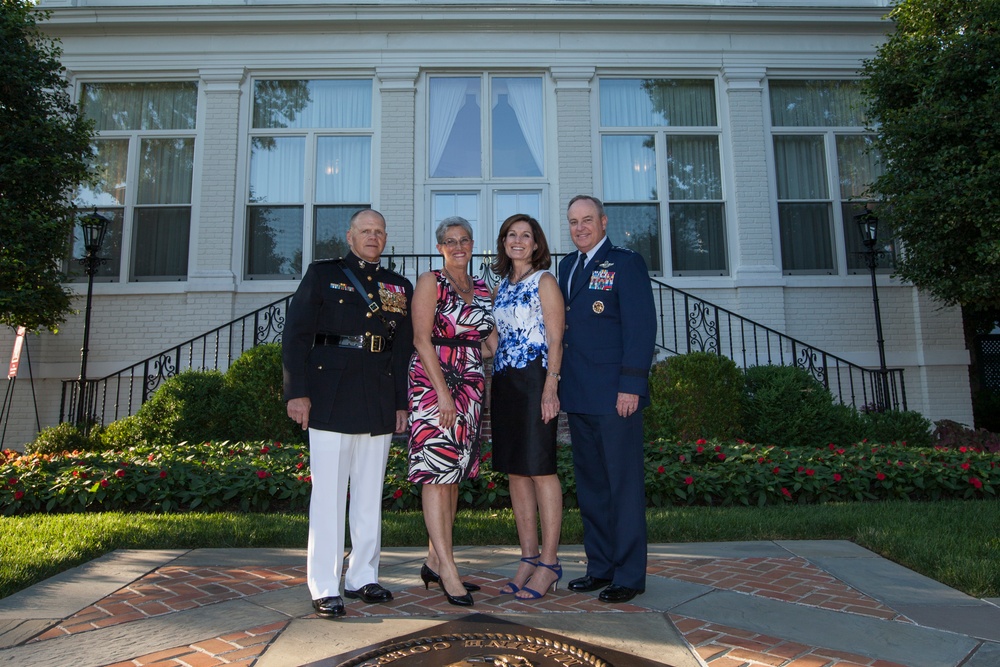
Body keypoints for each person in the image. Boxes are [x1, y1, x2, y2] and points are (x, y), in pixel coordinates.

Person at [282, 209, 413, 619]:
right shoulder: (323, 275)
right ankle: (323, 585)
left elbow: (402, 351)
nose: (372, 237)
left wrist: (399, 403)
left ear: (386, 237)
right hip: (330, 393)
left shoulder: (397, 286)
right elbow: (296, 335)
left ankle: (362, 576)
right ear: (350, 236)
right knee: (329, 496)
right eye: (365, 231)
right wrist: (297, 393)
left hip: (375, 394)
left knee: (370, 492)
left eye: (379, 231)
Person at [557, 195, 656, 604]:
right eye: (573, 222)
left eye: (587, 220)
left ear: (603, 221)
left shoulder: (626, 262)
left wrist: (631, 385)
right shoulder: (566, 266)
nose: (580, 228)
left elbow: (641, 326)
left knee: (623, 487)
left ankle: (629, 574)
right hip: (579, 393)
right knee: (592, 487)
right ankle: (600, 566)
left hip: (616, 396)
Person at [408, 216, 496, 607]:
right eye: (450, 241)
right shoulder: (431, 281)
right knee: (435, 470)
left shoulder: (480, 287)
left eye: (464, 240)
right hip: (434, 384)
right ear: (440, 247)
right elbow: (421, 339)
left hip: (470, 384)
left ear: (472, 244)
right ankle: (448, 569)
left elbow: (491, 340)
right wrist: (443, 394)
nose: (458, 246)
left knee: (454, 473)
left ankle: (433, 560)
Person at [490, 213, 565, 600]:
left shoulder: (544, 281)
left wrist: (551, 387)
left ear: (537, 244)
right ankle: (528, 557)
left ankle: (550, 563)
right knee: (516, 473)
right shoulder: (502, 286)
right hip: (504, 384)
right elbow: (492, 342)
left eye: (526, 235)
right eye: (511, 235)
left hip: (536, 381)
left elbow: (556, 339)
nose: (518, 241)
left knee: (540, 469)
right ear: (503, 242)